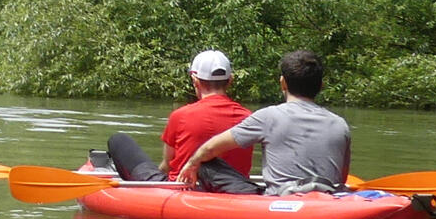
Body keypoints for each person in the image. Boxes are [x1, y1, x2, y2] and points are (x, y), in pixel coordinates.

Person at [177, 49, 352, 196]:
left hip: (280, 198)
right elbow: (341, 178)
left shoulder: (268, 116)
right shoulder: (340, 124)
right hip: (327, 198)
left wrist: (192, 164)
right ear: (321, 86)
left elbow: (210, 148)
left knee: (205, 162)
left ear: (283, 83)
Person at [97, 49, 257, 193]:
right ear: (230, 80)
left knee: (118, 140)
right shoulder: (250, 118)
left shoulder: (181, 115)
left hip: (180, 189)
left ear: (195, 80)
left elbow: (167, 165)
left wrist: (152, 183)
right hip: (232, 189)